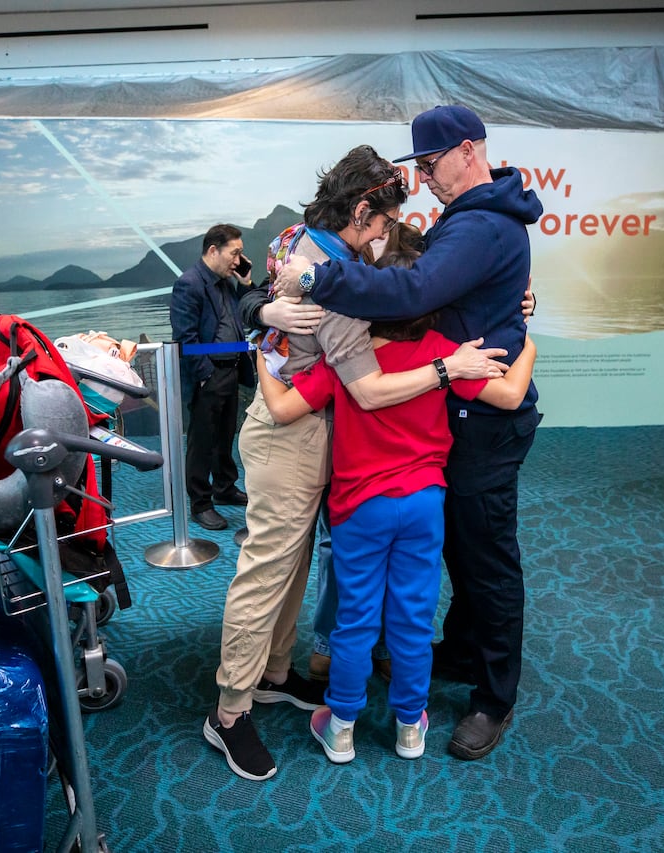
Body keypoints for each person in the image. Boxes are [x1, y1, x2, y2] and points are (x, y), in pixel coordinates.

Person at [205, 145, 508, 781]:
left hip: (321, 435)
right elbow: (367, 389)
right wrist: (445, 367)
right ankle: (229, 712)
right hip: (293, 435)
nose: (380, 242)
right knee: (269, 570)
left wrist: (260, 315)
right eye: (380, 225)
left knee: (298, 568)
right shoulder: (333, 279)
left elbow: (256, 302)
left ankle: (274, 677)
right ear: (364, 209)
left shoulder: (303, 241)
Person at [274, 105, 544, 761]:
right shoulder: (472, 220)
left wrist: (316, 276)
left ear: (469, 150)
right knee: (450, 552)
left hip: (483, 416)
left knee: (487, 562)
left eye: (429, 164)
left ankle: (494, 697)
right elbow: (437, 292)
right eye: (417, 169)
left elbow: (414, 291)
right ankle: (457, 652)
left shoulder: (481, 223)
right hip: (455, 419)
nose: (423, 180)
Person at [170, 223, 256, 531]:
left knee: (225, 435)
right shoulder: (189, 284)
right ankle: (201, 503)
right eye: (235, 253)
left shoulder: (226, 282)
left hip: (230, 369)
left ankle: (224, 488)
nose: (238, 260)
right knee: (202, 440)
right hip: (209, 374)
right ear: (212, 251)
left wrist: (245, 283)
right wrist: (205, 376)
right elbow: (185, 337)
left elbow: (245, 314)